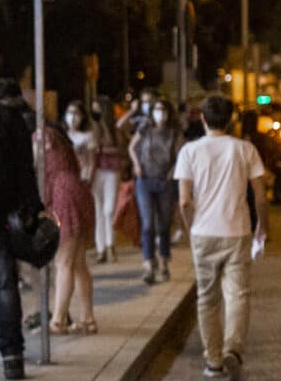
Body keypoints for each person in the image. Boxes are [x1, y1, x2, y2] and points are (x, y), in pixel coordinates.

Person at [174, 94, 267, 381]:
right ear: (231, 120)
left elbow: (184, 201)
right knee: (237, 295)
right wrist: (262, 227)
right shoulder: (245, 149)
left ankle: (213, 361)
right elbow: (261, 196)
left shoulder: (189, 152)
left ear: (202, 119)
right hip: (237, 231)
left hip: (203, 232)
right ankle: (233, 349)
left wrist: (190, 231)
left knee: (207, 298)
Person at [0, 76, 43, 379]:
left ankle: (12, 352)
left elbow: (23, 167)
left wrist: (30, 206)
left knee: (2, 282)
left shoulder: (3, 118)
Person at [40, 117, 95, 335]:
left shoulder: (43, 136)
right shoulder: (61, 139)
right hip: (78, 191)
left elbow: (45, 175)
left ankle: (58, 320)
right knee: (79, 262)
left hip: (62, 197)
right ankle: (88, 318)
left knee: (63, 262)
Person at [128, 97, 181, 283]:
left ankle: (164, 261)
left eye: (164, 110)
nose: (161, 113)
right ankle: (148, 264)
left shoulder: (174, 132)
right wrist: (136, 165)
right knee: (148, 224)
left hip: (165, 181)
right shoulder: (145, 128)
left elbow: (180, 155)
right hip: (145, 180)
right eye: (157, 109)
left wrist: (173, 172)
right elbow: (132, 147)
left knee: (164, 225)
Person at [91, 97, 124, 263]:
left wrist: (103, 126)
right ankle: (101, 248)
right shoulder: (93, 126)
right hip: (96, 171)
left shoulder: (113, 127)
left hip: (111, 171)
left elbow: (116, 146)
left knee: (108, 209)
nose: (94, 113)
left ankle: (110, 245)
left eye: (97, 109)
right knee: (98, 211)